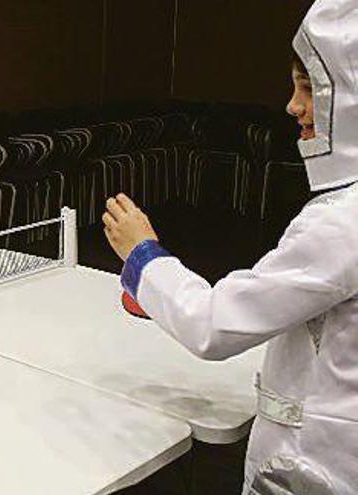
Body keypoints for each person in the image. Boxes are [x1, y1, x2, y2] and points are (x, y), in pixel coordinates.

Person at [103, 1, 358, 493]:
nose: (292, 106)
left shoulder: (342, 224)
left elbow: (213, 325)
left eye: (310, 88)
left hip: (316, 470)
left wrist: (143, 255)